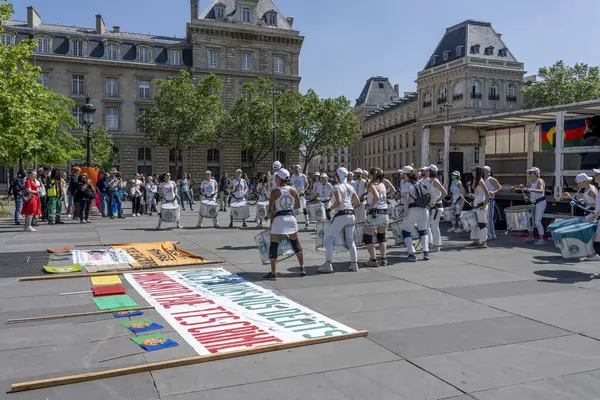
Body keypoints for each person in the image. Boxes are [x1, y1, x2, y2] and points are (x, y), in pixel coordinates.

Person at [263, 168, 305, 280]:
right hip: (291, 218)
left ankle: (273, 273)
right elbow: (298, 206)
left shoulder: (275, 192)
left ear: (280, 179)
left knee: (274, 245)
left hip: (279, 219)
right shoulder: (293, 190)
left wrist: (267, 217)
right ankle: (302, 268)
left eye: (276, 177)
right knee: (296, 243)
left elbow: (271, 209)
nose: (275, 179)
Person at [319, 167, 361, 273]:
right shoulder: (350, 187)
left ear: (338, 176)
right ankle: (354, 264)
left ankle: (328, 264)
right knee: (350, 240)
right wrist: (350, 207)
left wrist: (330, 209)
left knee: (329, 238)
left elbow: (338, 201)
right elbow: (357, 201)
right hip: (351, 214)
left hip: (341, 214)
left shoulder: (336, 187)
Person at [400, 166, 430, 261]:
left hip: (412, 209)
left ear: (406, 174)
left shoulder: (406, 184)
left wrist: (405, 211)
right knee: (423, 230)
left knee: (406, 231)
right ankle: (426, 252)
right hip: (424, 209)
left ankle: (412, 254)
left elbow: (406, 198)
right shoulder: (420, 182)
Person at [362, 167, 389, 266]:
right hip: (384, 212)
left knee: (367, 237)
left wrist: (369, 207)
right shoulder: (382, 185)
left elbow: (376, 197)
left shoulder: (372, 185)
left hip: (374, 212)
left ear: (373, 175)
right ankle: (383, 258)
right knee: (382, 237)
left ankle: (373, 260)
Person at [424, 165, 448, 252]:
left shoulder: (435, 181)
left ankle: (437, 245)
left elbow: (444, 193)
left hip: (437, 207)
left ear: (431, 171)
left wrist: (436, 200)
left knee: (434, 226)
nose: (426, 171)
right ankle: (430, 243)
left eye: (428, 170)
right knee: (427, 225)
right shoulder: (428, 181)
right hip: (431, 207)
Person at [467, 166, 491, 249]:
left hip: (481, 205)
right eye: (472, 171)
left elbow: (487, 194)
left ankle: (484, 242)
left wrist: (484, 205)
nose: (472, 172)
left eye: (474, 171)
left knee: (482, 224)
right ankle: (476, 240)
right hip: (477, 204)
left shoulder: (480, 181)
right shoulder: (476, 181)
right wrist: (473, 196)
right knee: (475, 224)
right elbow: (478, 193)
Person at [524, 167, 546, 245]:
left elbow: (541, 191)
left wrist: (531, 190)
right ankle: (531, 237)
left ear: (535, 173)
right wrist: (528, 198)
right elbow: (534, 194)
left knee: (537, 221)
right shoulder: (533, 182)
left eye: (531, 173)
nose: (529, 174)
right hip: (534, 203)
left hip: (540, 203)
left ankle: (541, 240)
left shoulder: (540, 181)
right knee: (530, 221)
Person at [483, 166, 502, 240]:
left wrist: (493, 192)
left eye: (483, 171)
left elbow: (499, 187)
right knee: (485, 219)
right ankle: (487, 233)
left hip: (490, 201)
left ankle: (492, 235)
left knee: (489, 219)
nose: (482, 172)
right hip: (484, 201)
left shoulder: (491, 179)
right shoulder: (482, 180)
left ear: (487, 172)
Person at [291, 164, 310, 230]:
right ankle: (294, 224)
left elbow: (307, 184)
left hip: (301, 195)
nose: (295, 169)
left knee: (304, 209)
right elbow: (291, 185)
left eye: (296, 168)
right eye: (294, 168)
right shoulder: (292, 176)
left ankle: (307, 223)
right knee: (294, 209)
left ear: (299, 169)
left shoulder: (303, 176)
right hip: (294, 195)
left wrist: (304, 191)